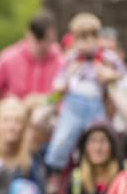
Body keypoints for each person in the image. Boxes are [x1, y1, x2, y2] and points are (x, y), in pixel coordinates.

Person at [45, 13, 125, 173]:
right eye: (80, 38)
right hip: (73, 104)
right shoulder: (71, 59)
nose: (85, 44)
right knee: (62, 139)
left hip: (95, 103)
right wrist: (62, 85)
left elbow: (122, 76)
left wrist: (110, 77)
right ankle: (54, 170)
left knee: (97, 139)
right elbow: (56, 88)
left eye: (89, 38)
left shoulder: (106, 58)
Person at [0, 12, 62, 114]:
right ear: (28, 34)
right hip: (14, 118)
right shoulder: (9, 58)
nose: (41, 45)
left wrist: (46, 100)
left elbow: (63, 95)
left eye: (46, 40)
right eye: (38, 39)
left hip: (47, 118)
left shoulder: (61, 60)